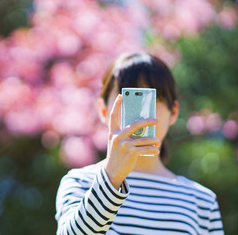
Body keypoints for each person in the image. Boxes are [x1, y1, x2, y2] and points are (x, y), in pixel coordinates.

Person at [55, 52, 224, 234]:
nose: (141, 114)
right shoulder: (80, 183)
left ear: (173, 112)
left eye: (153, 99)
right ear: (103, 110)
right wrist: (111, 178)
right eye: (129, 97)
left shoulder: (202, 201)